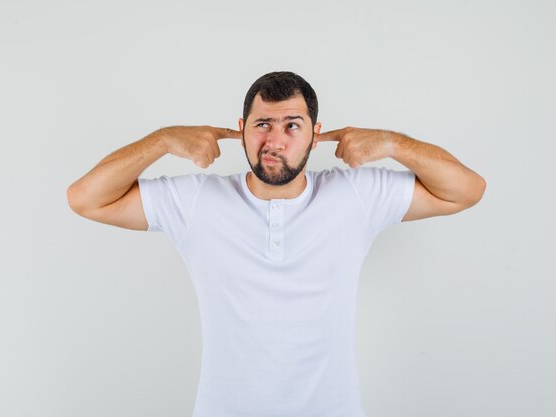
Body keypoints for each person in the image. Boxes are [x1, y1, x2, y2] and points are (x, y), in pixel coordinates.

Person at [67, 71, 486, 417]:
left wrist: (393, 143)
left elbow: (466, 190)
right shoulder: (197, 201)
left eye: (292, 126)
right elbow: (85, 198)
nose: (276, 141)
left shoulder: (355, 195)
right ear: (241, 131)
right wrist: (162, 140)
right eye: (262, 124)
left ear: (315, 135)